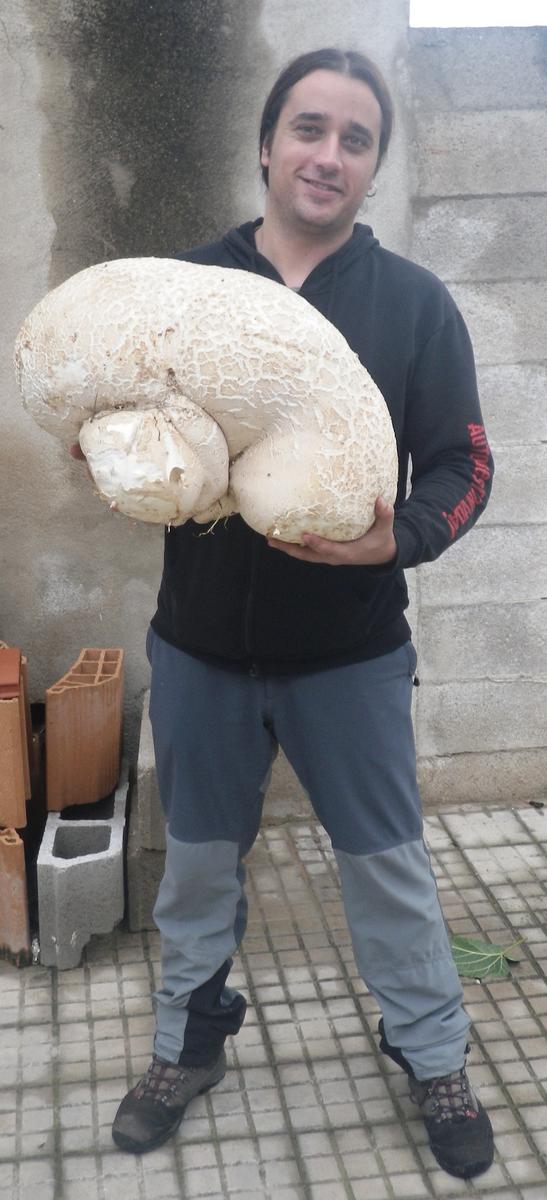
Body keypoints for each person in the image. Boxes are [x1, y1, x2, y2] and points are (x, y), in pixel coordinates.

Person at [73, 48, 495, 1178]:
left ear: (371, 171)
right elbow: (112, 424)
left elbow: (463, 465)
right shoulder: (180, 294)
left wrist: (392, 540)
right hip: (202, 651)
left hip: (349, 656)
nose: (329, 155)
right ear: (266, 143)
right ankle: (187, 1042)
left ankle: (432, 1051)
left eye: (356, 140)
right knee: (198, 869)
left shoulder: (410, 304)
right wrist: (103, 454)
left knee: (387, 869)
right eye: (308, 128)